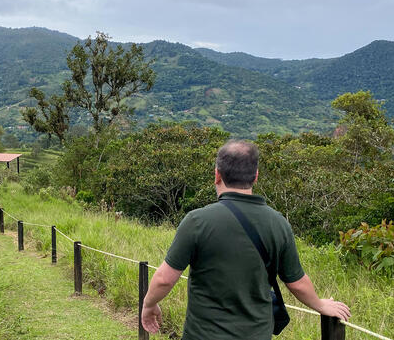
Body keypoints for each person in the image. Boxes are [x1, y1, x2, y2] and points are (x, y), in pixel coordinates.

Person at [141, 140, 350, 339]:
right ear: (255, 176)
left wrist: (149, 305)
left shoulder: (197, 221)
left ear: (217, 175)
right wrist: (321, 305)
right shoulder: (278, 223)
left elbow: (165, 279)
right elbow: (297, 283)